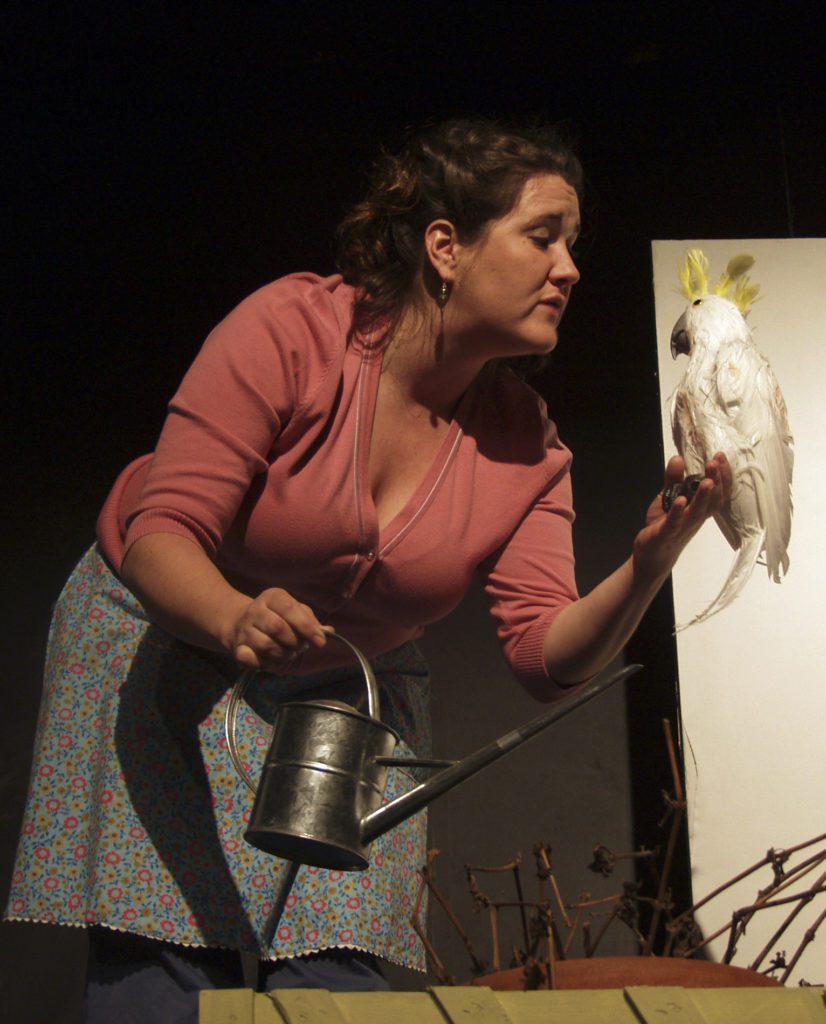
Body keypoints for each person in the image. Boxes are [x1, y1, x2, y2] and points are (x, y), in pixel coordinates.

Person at [5, 117, 730, 1021]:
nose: (569, 268)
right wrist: (233, 617)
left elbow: (549, 657)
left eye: (573, 244)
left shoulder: (526, 444)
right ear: (445, 246)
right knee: (169, 973)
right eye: (542, 235)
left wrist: (649, 561)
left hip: (339, 706)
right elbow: (164, 529)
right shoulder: (294, 333)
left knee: (331, 986)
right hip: (171, 656)